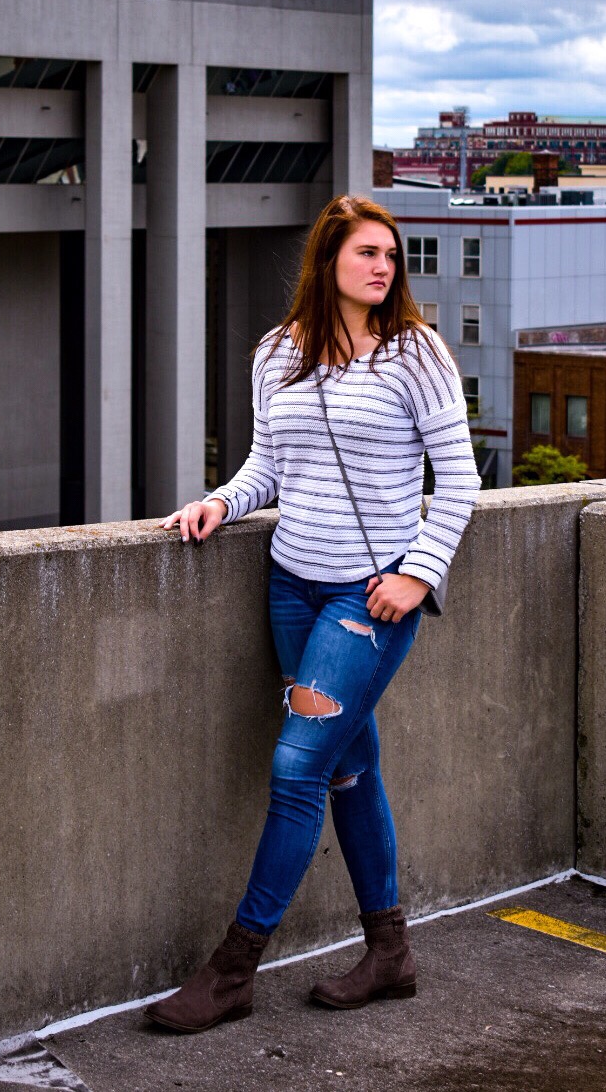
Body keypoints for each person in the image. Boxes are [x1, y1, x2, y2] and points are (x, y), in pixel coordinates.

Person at [146, 194, 481, 1034]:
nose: (383, 267)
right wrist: (220, 502)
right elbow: (268, 463)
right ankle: (390, 954)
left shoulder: (417, 354)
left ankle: (233, 970)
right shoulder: (277, 352)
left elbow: (460, 480)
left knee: (297, 770)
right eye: (367, 252)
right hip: (291, 586)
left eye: (391, 256)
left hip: (367, 603)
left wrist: (418, 576)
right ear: (327, 259)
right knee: (348, 766)